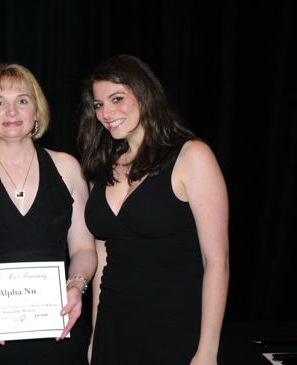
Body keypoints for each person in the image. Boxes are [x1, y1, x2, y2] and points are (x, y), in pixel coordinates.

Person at [0, 63, 97, 365]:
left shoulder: (68, 168)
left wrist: (76, 286)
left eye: (22, 100)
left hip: (58, 331)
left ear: (37, 112)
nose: (11, 111)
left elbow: (84, 249)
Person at [78, 55, 229, 365]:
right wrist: (95, 335)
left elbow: (216, 261)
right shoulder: (101, 166)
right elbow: (104, 261)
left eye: (117, 98)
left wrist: (207, 351)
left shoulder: (192, 156)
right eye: (98, 104)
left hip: (174, 328)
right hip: (114, 328)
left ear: (144, 94)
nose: (106, 113)